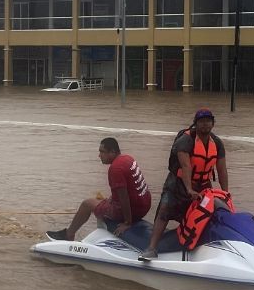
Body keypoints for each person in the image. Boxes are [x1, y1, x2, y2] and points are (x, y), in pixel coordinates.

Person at [139, 108, 228, 260]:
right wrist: (189, 189)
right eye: (201, 121)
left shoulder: (217, 143)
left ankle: (200, 247)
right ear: (196, 124)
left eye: (208, 121)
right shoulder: (185, 141)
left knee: (205, 216)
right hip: (178, 185)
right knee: (164, 213)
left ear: (213, 124)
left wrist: (226, 193)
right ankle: (151, 248)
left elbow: (222, 170)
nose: (205, 124)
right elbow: (186, 166)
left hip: (203, 186)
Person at [47, 138, 151, 241]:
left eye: (102, 152)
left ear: (112, 152)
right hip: (144, 206)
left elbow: (124, 198)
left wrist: (127, 222)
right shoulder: (128, 158)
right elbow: (131, 188)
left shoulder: (115, 169)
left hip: (134, 211)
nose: (99, 155)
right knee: (103, 200)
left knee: (87, 204)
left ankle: (69, 235)